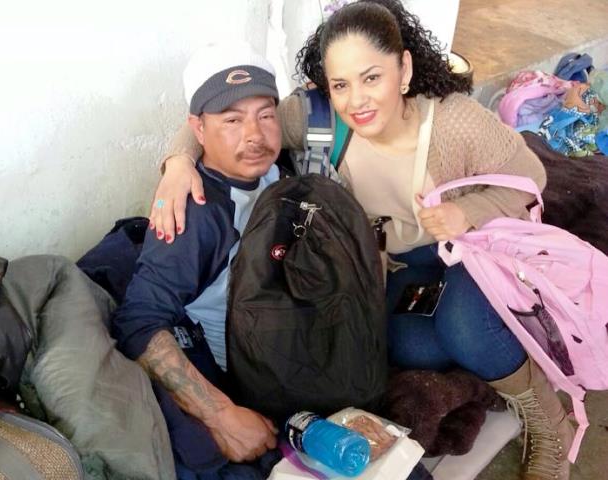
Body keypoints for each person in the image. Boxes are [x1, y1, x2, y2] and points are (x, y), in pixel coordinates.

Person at [149, 3, 576, 479]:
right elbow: (226, 115)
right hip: (401, 267)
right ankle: (495, 357)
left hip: (470, 253)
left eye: (372, 78)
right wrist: (178, 164)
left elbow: (531, 176)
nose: (357, 101)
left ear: (404, 69)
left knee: (464, 325)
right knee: (410, 347)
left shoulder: (453, 121)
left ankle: (549, 424)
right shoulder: (320, 117)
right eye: (341, 84)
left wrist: (468, 211)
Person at [111, 42, 284, 479]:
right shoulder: (196, 212)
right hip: (235, 371)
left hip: (284, 343)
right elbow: (139, 322)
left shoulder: (276, 173)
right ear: (198, 129)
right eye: (232, 120)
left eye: (266, 115)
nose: (254, 135)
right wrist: (222, 415)